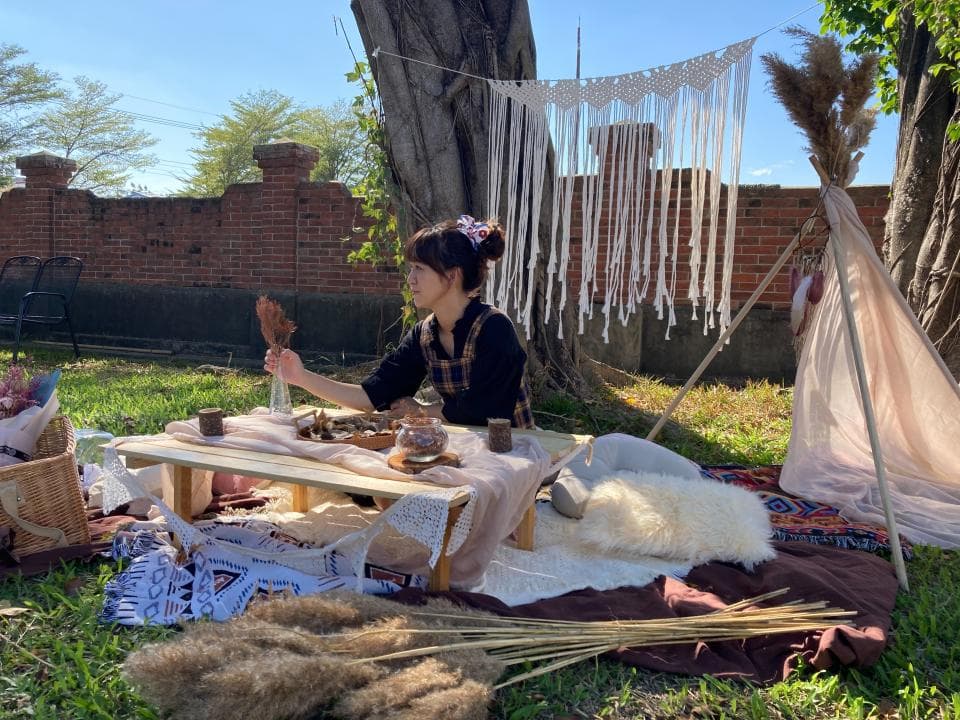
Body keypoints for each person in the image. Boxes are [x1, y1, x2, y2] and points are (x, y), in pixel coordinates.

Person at [264, 215, 535, 428]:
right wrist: (300, 377)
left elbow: (485, 411)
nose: (411, 280)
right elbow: (373, 396)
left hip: (514, 453)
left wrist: (421, 411)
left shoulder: (494, 328)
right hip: (465, 449)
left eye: (419, 269)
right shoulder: (425, 335)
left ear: (452, 276)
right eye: (411, 269)